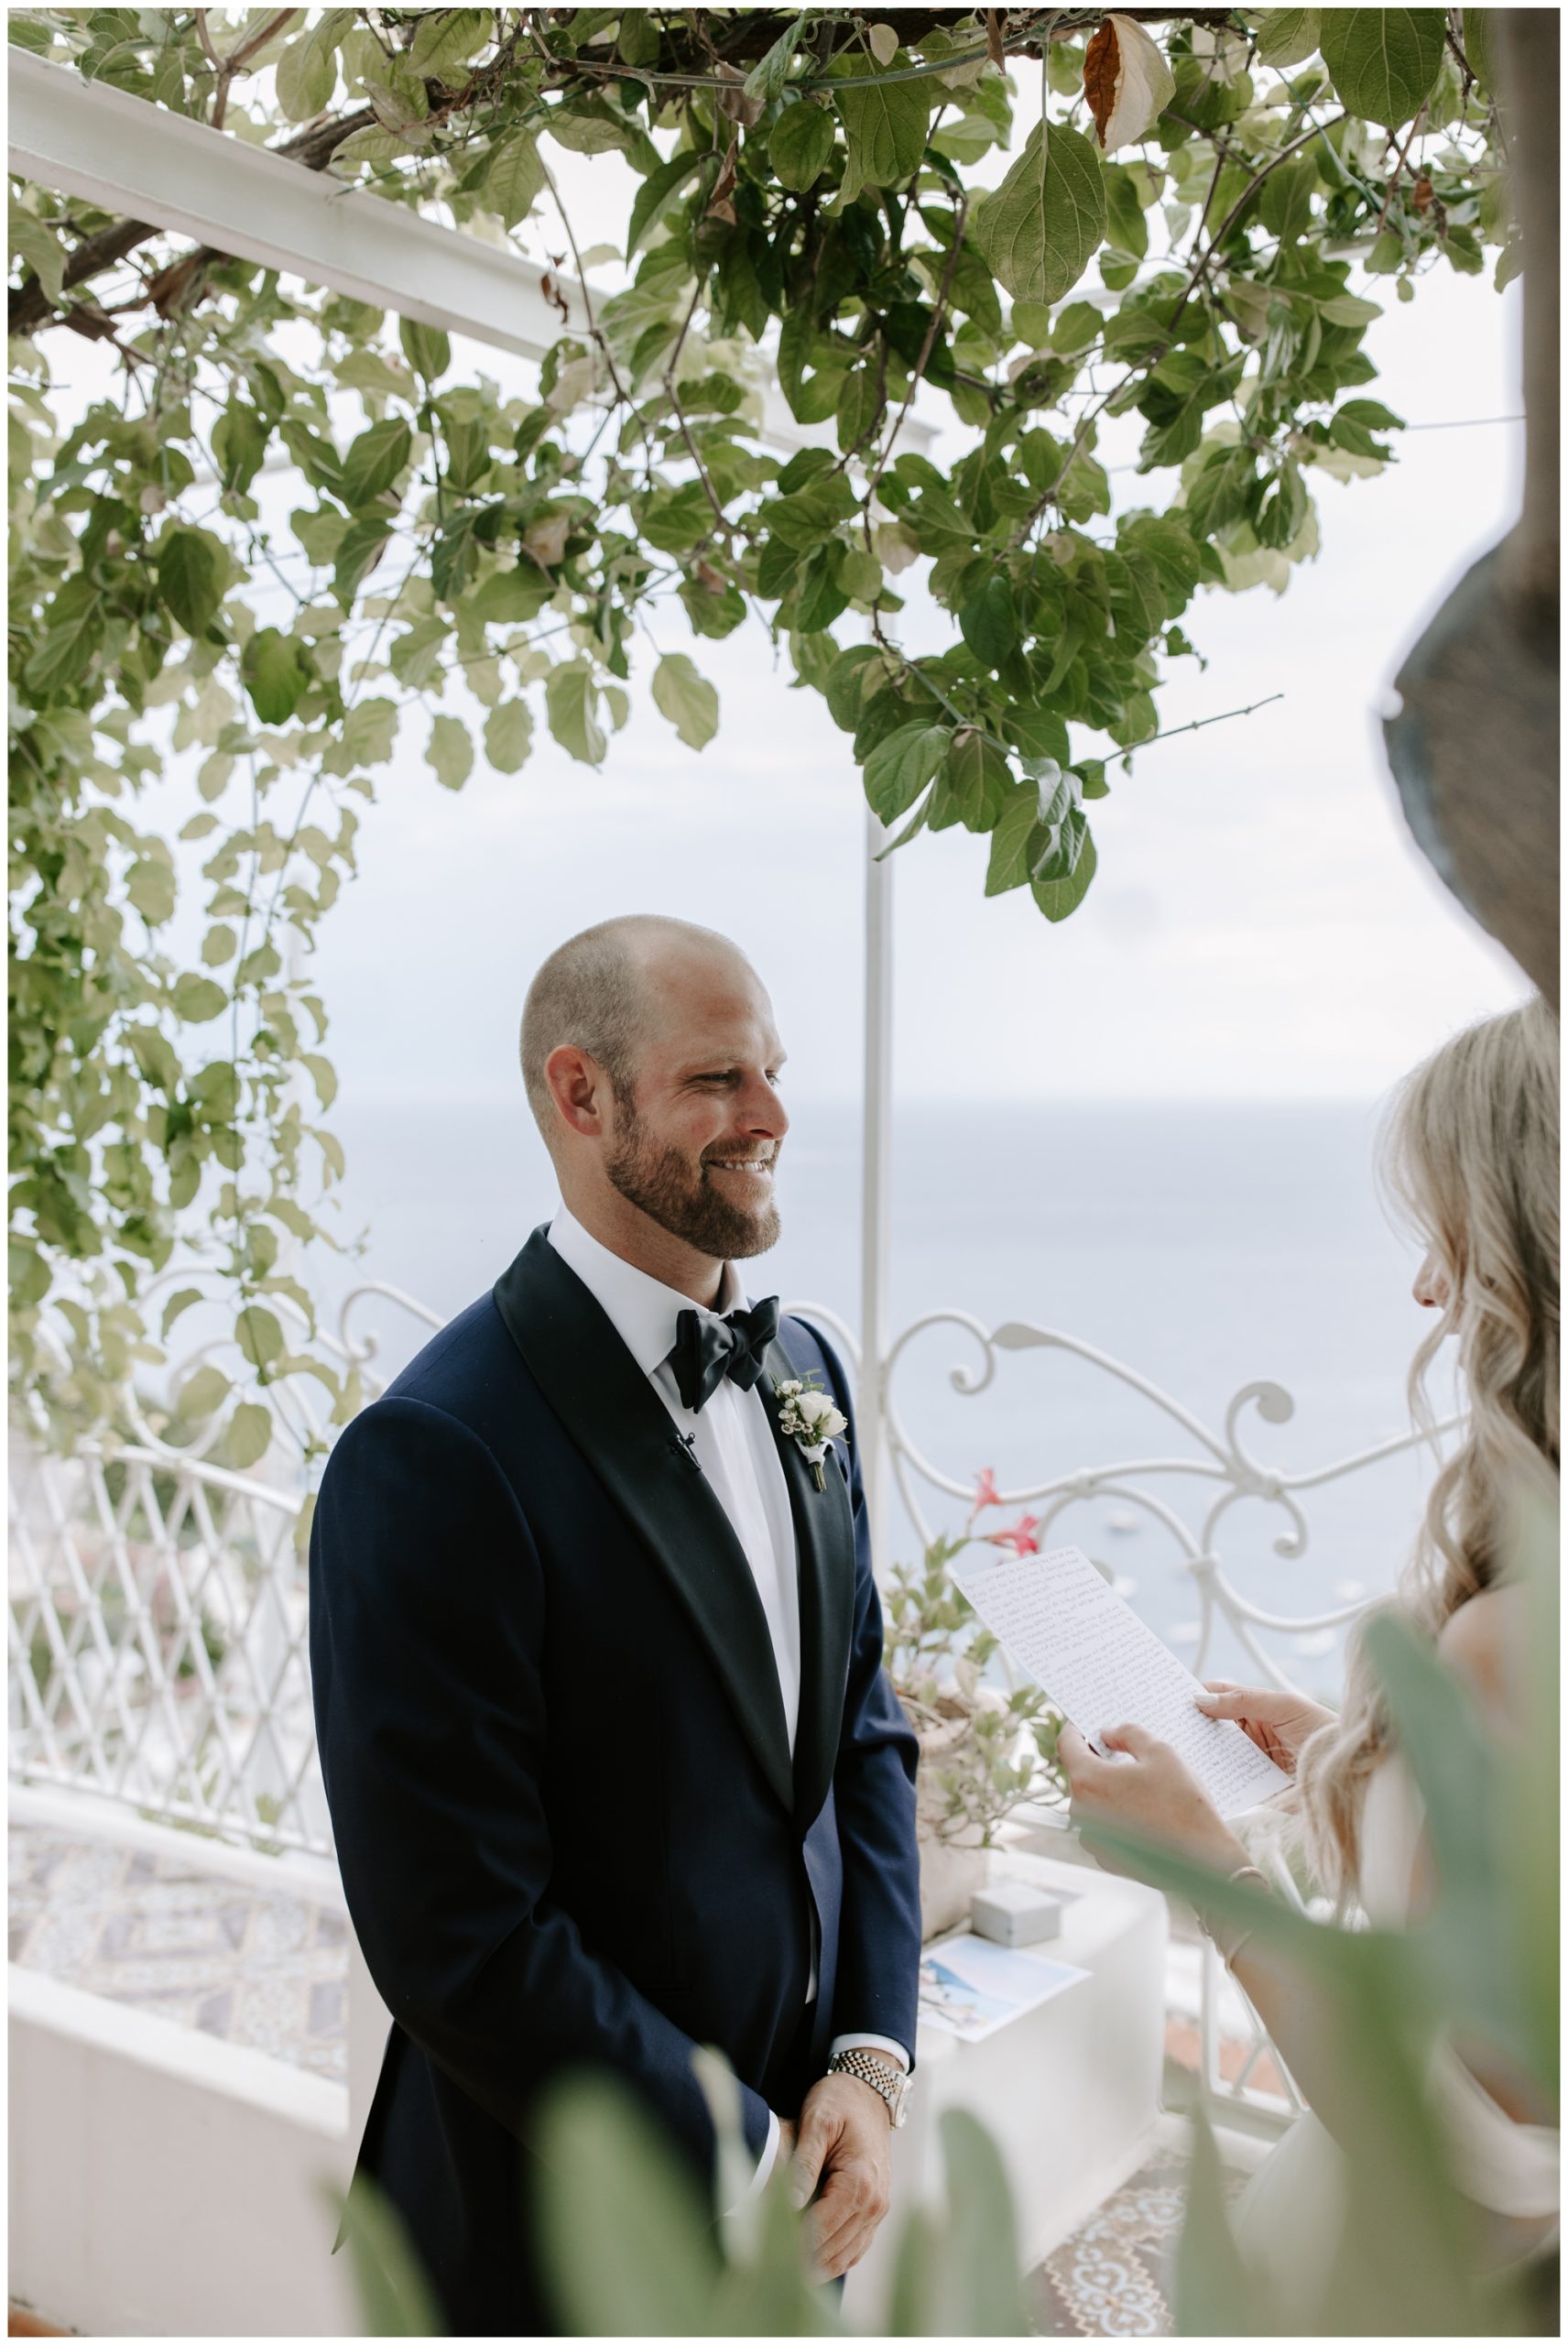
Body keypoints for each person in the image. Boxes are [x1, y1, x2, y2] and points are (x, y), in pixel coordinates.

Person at [309, 915, 921, 2335]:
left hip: (813, 2190)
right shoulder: (434, 1450)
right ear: (583, 1098)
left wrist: (869, 2069)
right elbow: (460, 1931)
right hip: (549, 2233)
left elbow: (863, 1736)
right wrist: (745, 2153)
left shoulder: (806, 1370)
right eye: (719, 1081)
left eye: (773, 1072)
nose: (771, 1116)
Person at [1059, 999, 1560, 2309]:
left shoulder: (1513, 1640)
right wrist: (1360, 1773)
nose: (1426, 1290)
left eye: (1447, 1227)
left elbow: (1479, 2161)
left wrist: (1212, 1875)